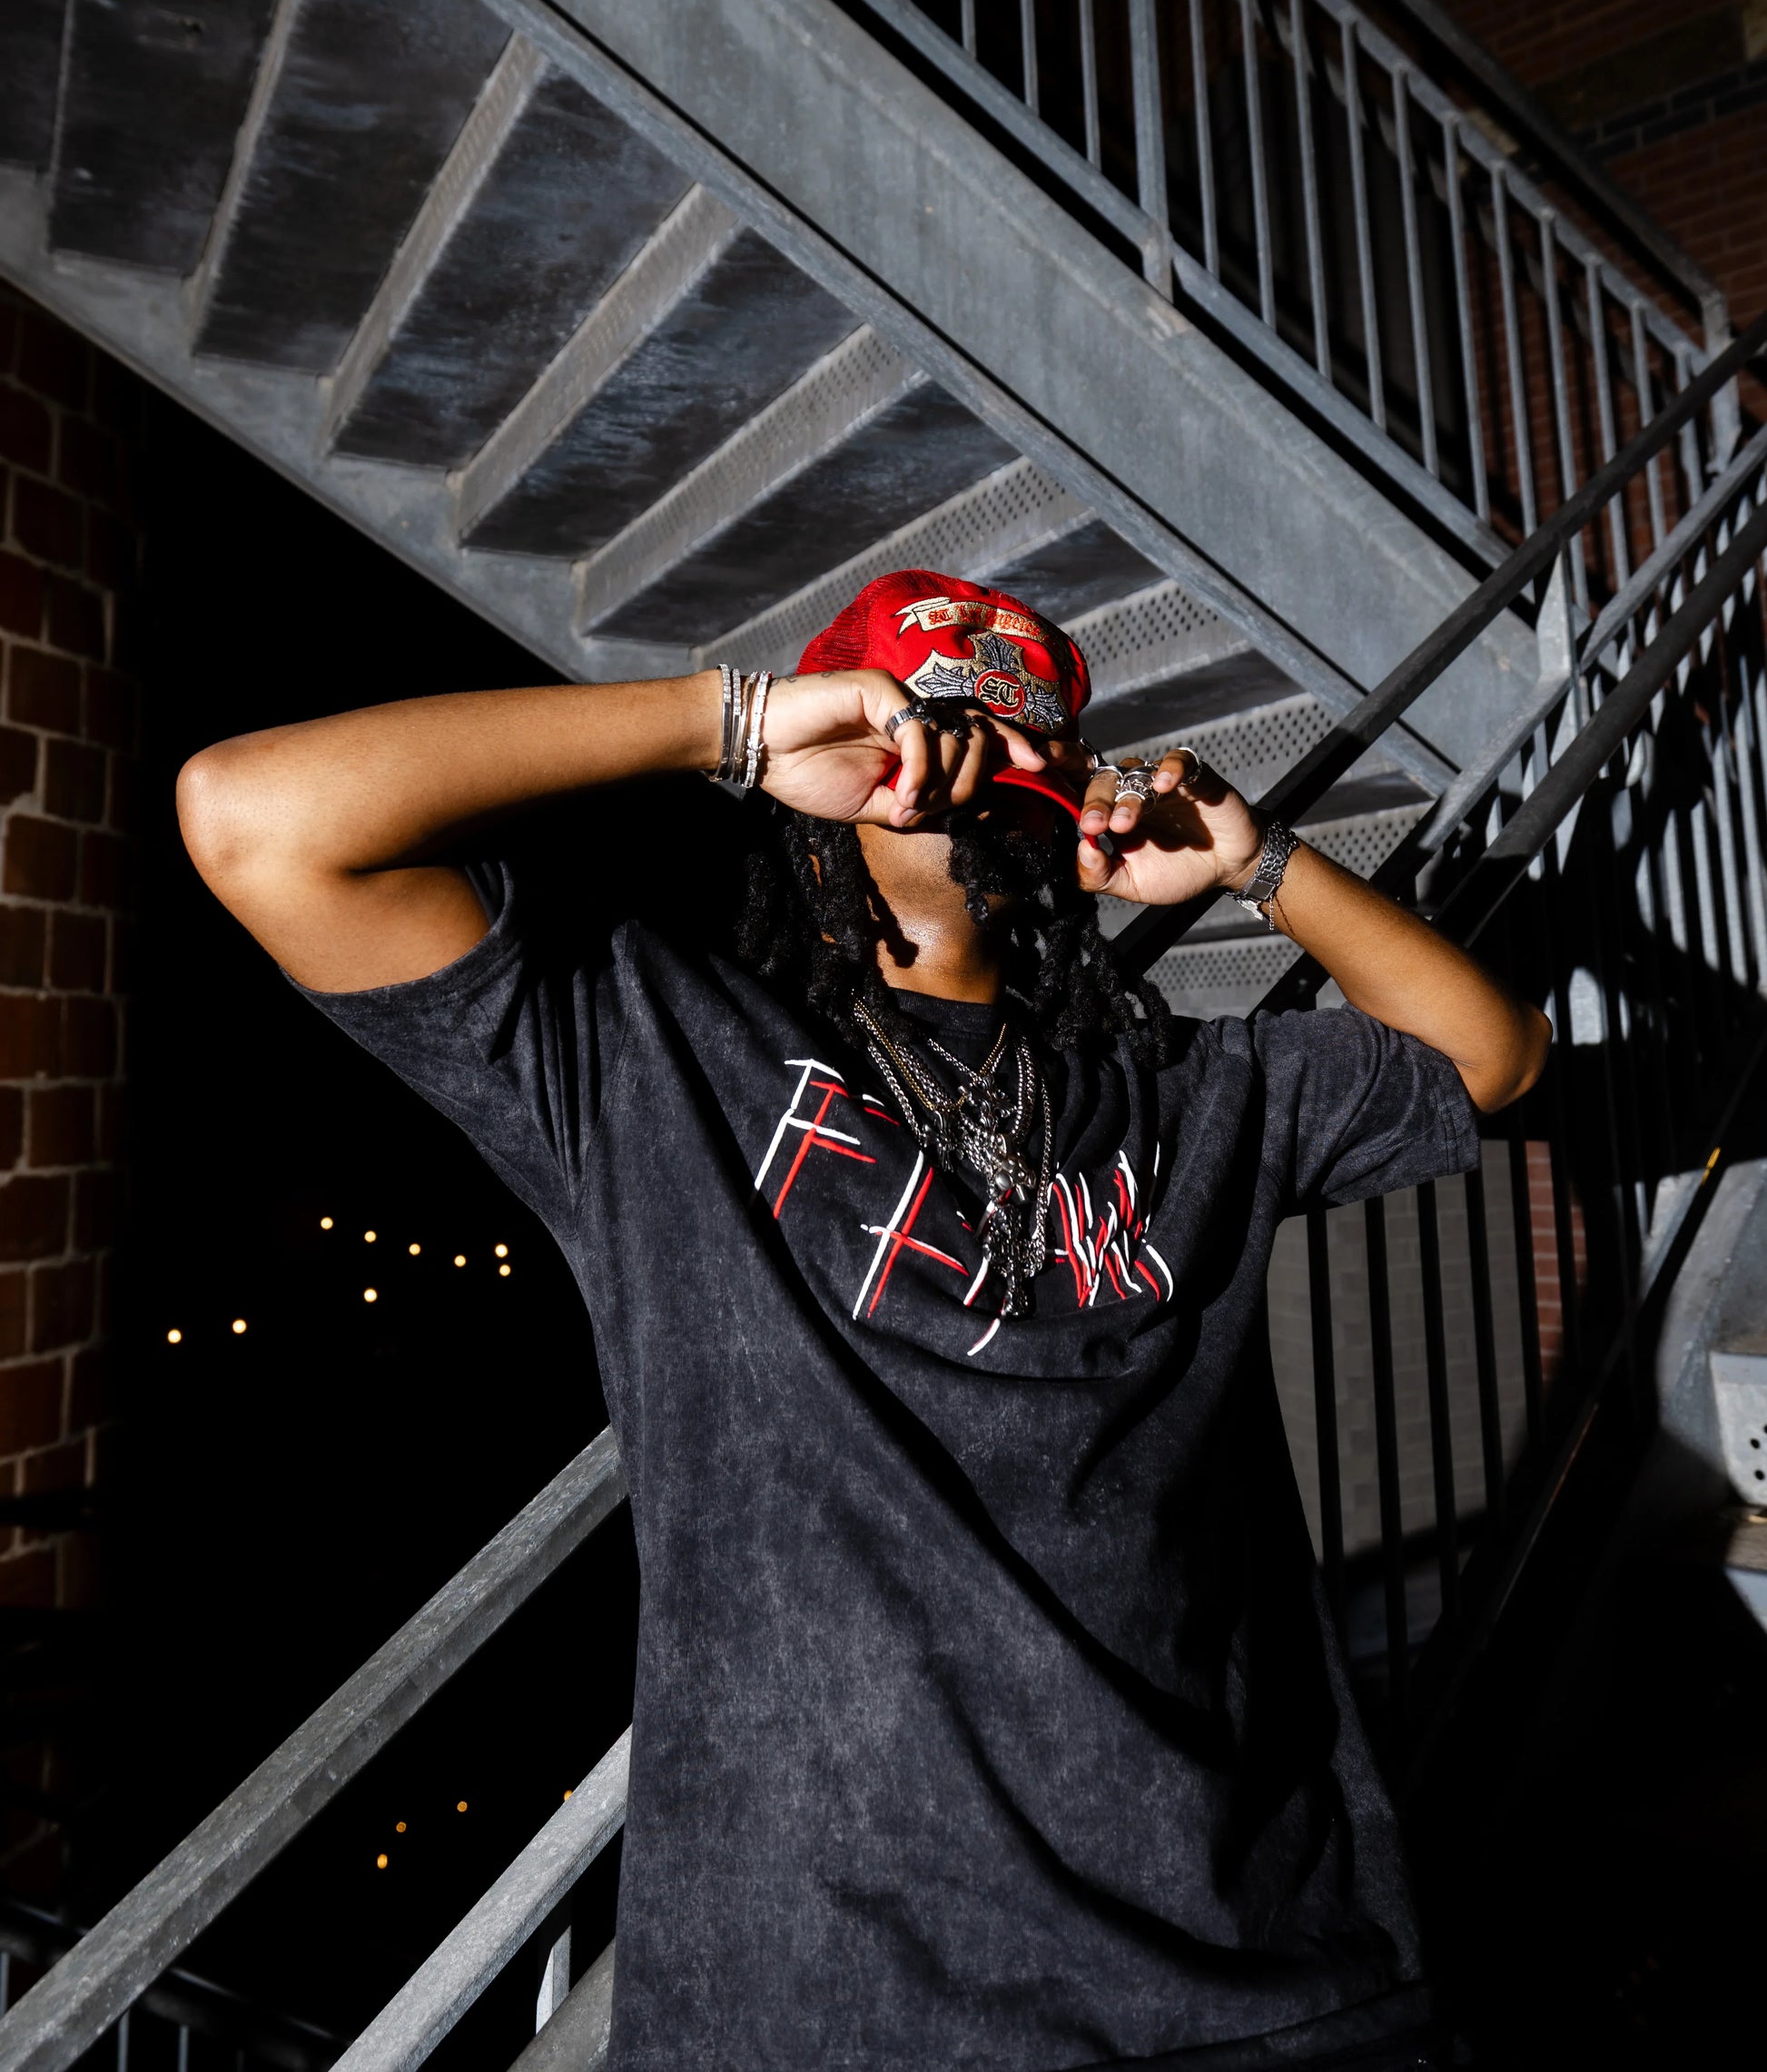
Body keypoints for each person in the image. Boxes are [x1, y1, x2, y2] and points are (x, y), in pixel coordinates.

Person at [178, 569, 1548, 2072]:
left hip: (1248, 1964)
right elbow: (255, 818)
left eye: (1007, 748)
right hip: (835, 1993)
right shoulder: (650, 1047)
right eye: (916, 731)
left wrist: (1254, 859)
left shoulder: (1183, 1093)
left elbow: (1485, 1058)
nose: (957, 778)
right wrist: (736, 723)